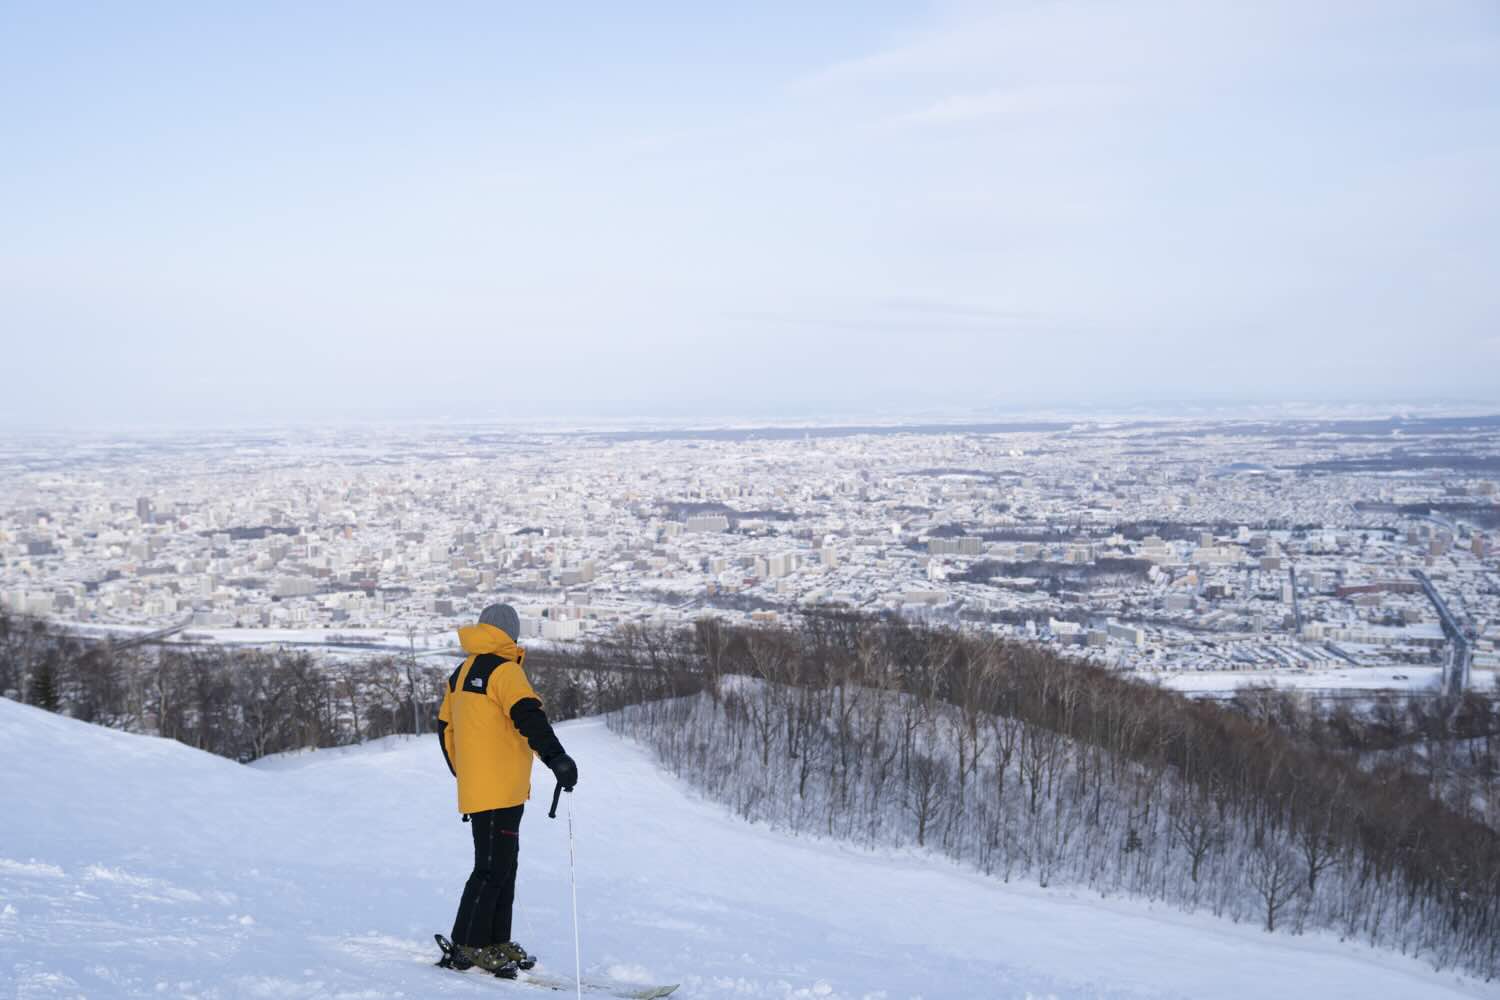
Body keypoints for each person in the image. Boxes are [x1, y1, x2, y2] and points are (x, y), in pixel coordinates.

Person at [436, 602, 578, 976]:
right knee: (491, 867)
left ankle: (495, 939)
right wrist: (557, 759)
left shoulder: (460, 672)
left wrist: (465, 773)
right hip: (501, 787)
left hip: (486, 787)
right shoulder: (505, 671)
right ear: (510, 634)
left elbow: (444, 729)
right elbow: (529, 717)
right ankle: (467, 945)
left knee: (502, 865)